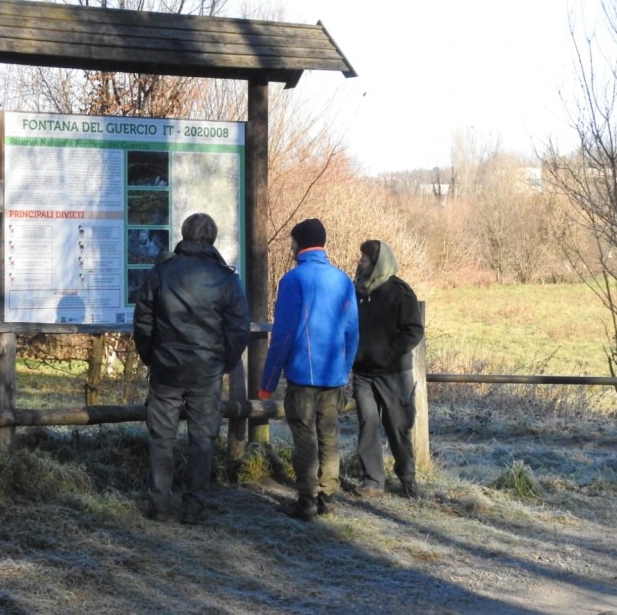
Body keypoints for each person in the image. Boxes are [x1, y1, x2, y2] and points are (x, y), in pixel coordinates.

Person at [133, 213, 250, 524]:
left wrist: (151, 356)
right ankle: (194, 506)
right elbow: (239, 329)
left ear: (184, 235)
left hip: (167, 367)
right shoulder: (226, 278)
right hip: (206, 370)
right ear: (212, 238)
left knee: (162, 437)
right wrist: (224, 362)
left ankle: (160, 504)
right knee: (202, 438)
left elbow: (143, 320)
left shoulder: (162, 272)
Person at [260, 218, 359, 521]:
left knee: (305, 439)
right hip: (333, 377)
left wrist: (267, 383)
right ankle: (328, 498)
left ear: (298, 244)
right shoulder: (343, 280)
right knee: (329, 437)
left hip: (303, 376)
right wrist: (344, 370)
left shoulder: (293, 280)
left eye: (292, 242)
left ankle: (306, 502)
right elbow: (352, 332)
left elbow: (283, 335)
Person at [352, 240, 425, 498]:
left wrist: (387, 354)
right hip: (363, 373)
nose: (359, 263)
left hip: (394, 373)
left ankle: (407, 477)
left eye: (363, 259)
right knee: (367, 424)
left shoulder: (400, 293)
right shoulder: (356, 292)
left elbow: (413, 331)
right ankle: (372, 481)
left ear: (377, 263)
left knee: (397, 426)